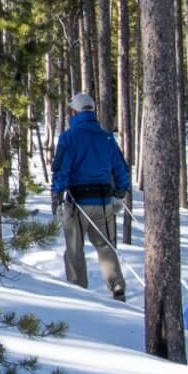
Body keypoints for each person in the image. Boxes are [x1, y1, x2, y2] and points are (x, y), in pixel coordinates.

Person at [50, 92, 130, 302]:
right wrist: (120, 193)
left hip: (76, 203)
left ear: (74, 111)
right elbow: (121, 168)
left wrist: (57, 196)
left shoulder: (68, 137)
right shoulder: (106, 137)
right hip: (103, 203)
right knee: (106, 247)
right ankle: (117, 286)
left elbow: (61, 169)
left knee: (74, 250)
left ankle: (78, 291)